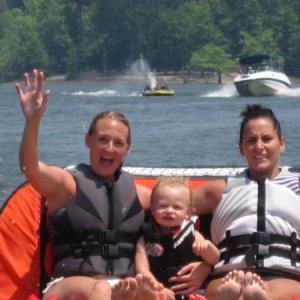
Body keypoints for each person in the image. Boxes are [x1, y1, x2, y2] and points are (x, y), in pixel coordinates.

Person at [15, 69, 163, 300]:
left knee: (152, 293)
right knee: (103, 290)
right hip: (68, 285)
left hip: (123, 284)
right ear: (88, 140)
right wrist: (33, 121)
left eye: (118, 143)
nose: (109, 148)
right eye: (102, 139)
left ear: (128, 149)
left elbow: (195, 201)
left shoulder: (140, 195)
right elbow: (30, 168)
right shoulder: (67, 185)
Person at [192, 104, 300, 300]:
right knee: (230, 289)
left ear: (281, 143)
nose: (259, 146)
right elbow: (165, 202)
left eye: (267, 139)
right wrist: (204, 256)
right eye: (251, 141)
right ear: (241, 148)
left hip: (284, 273)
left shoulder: (298, 185)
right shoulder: (220, 190)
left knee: (251, 293)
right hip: (230, 273)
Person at [136, 177, 219, 300]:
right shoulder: (145, 238)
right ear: (152, 208)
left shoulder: (194, 234)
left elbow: (214, 259)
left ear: (188, 212)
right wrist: (158, 289)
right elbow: (142, 269)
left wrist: (207, 246)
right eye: (163, 206)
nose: (169, 210)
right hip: (160, 290)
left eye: (177, 207)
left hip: (191, 291)